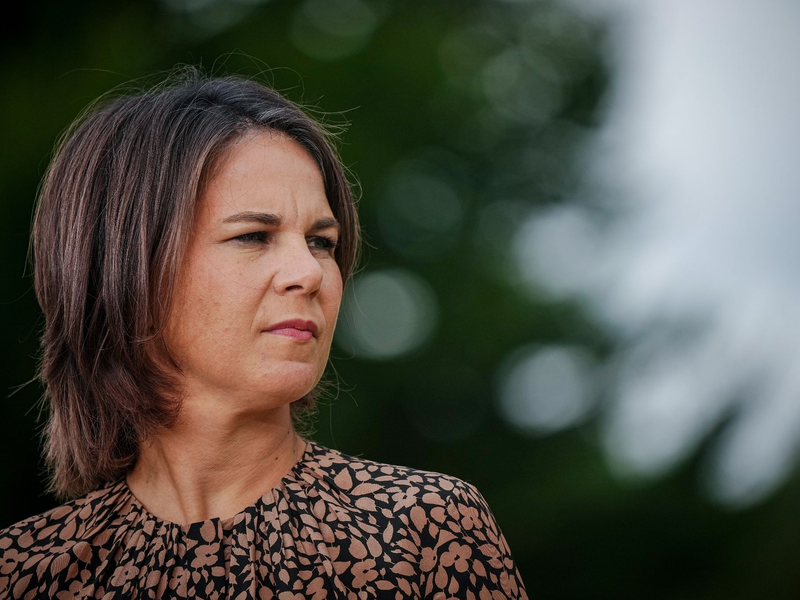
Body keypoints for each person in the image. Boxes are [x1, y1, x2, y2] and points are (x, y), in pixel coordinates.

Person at [0, 70, 529, 599]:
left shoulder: (422, 532)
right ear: (123, 265)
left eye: (322, 242)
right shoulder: (25, 573)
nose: (310, 272)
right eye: (254, 235)